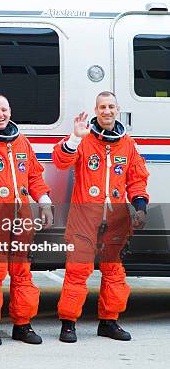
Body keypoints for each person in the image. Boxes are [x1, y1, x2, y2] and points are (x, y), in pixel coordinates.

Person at [52, 91, 149, 343]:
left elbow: (137, 180)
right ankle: (69, 323)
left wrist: (140, 208)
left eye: (111, 107)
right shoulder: (84, 138)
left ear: (118, 110)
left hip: (116, 217)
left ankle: (109, 321)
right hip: (85, 216)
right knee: (77, 270)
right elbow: (61, 161)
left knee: (114, 271)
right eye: (102, 107)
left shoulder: (128, 144)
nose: (107, 111)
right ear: (96, 110)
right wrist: (74, 138)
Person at [0, 93, 53, 346]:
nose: (0, 115)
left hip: (21, 218)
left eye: (4, 109)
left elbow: (35, 176)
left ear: (10, 111)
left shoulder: (21, 142)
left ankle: (22, 325)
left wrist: (44, 203)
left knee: (22, 273)